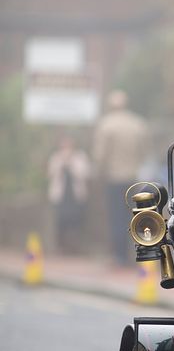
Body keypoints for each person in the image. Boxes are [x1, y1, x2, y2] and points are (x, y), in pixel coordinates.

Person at [92, 89, 150, 265]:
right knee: (135, 216)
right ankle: (138, 253)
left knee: (116, 216)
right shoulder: (138, 124)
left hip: (114, 177)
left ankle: (119, 256)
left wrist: (98, 173)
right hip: (134, 178)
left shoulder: (106, 125)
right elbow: (146, 152)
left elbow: (100, 156)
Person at [46, 135, 91, 254]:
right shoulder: (56, 157)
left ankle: (75, 247)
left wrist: (71, 163)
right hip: (61, 197)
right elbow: (51, 173)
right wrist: (62, 162)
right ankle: (60, 247)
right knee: (60, 221)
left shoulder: (80, 157)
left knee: (76, 221)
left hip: (76, 196)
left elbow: (84, 174)